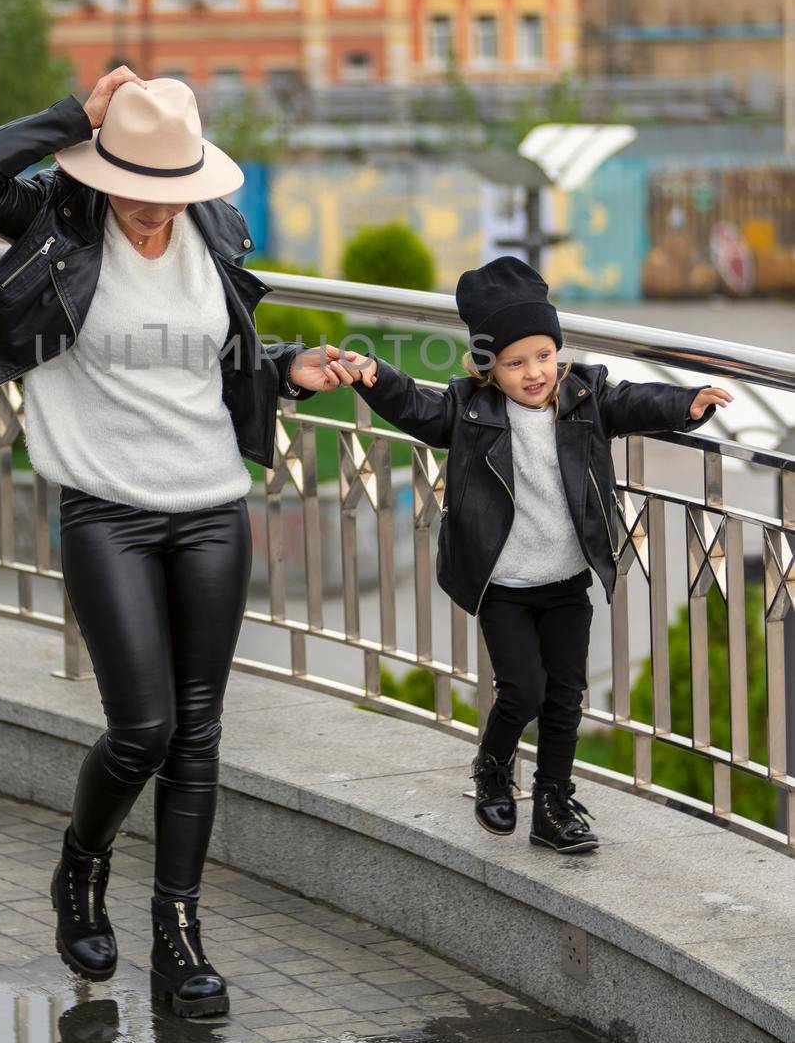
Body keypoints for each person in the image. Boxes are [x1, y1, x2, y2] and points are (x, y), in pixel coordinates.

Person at [0, 69, 344, 1016]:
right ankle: (80, 866)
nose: (155, 211)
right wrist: (74, 113)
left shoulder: (217, 231)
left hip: (209, 506)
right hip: (105, 508)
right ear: (104, 172)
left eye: (172, 191)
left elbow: (208, 359)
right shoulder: (58, 228)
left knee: (198, 734)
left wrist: (288, 371)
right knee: (142, 728)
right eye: (139, 189)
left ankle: (178, 931)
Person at [313, 256, 732, 854]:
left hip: (566, 579)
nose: (534, 372)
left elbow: (632, 401)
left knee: (566, 698)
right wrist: (373, 373)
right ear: (488, 366)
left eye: (544, 356)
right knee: (524, 691)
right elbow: (419, 408)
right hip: (504, 583)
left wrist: (686, 403)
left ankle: (553, 805)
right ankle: (492, 763)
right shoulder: (469, 408)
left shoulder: (586, 395)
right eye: (515, 362)